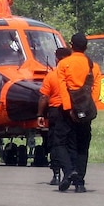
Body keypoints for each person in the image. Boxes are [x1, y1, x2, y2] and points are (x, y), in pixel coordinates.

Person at [57, 33, 102, 193]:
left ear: (71, 45)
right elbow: (96, 89)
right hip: (86, 110)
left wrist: (69, 109)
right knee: (83, 146)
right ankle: (80, 183)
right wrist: (90, 107)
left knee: (69, 144)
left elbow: (63, 88)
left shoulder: (63, 64)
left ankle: (71, 171)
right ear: (86, 47)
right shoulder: (93, 66)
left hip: (69, 111)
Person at [37, 47, 73, 186]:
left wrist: (40, 114)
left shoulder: (52, 76)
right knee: (70, 142)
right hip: (71, 111)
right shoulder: (72, 75)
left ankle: (56, 173)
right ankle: (70, 171)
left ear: (57, 59)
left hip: (55, 112)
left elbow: (44, 97)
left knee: (56, 142)